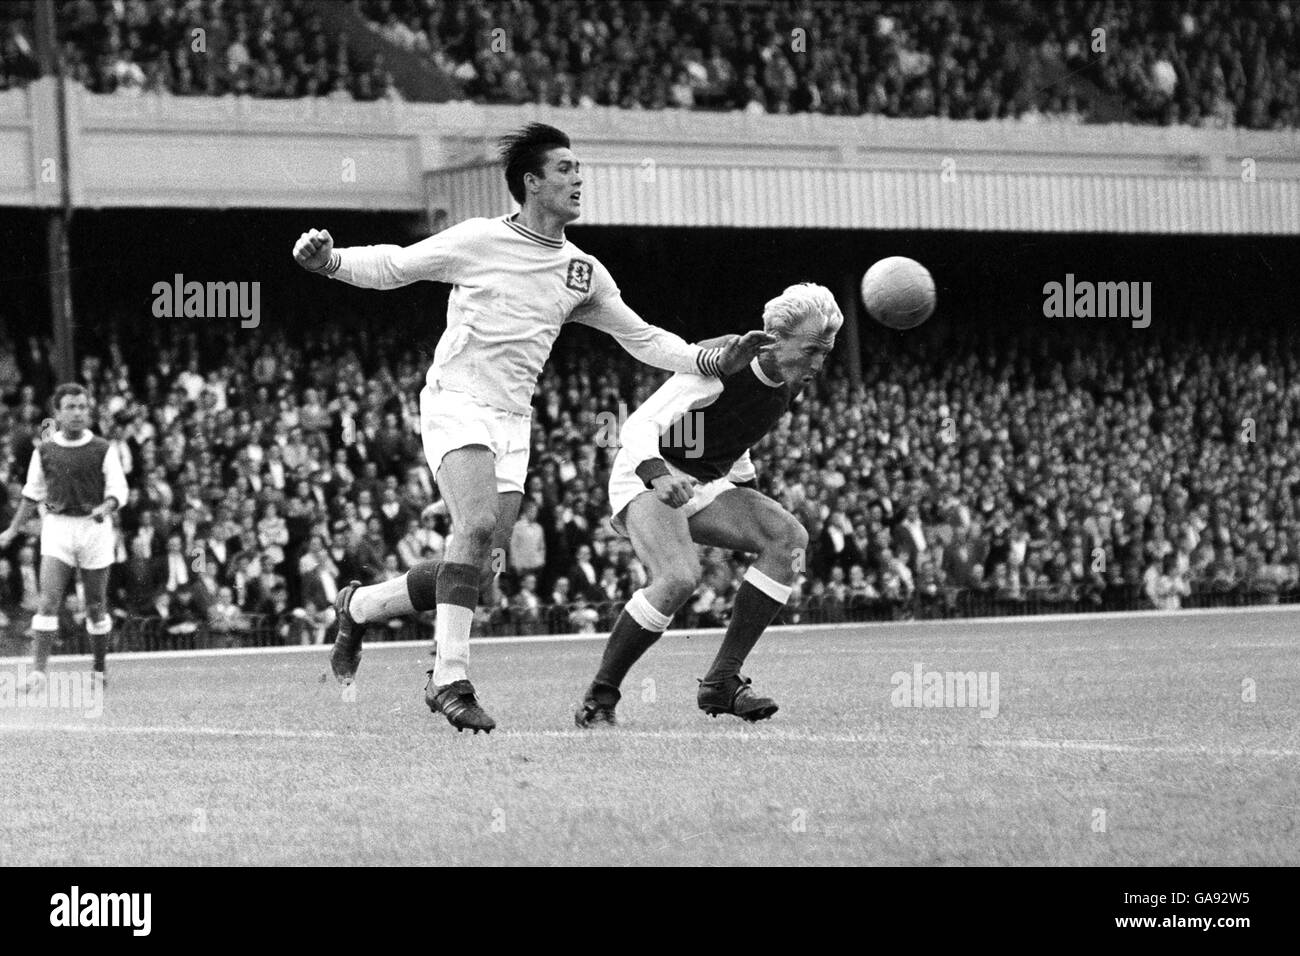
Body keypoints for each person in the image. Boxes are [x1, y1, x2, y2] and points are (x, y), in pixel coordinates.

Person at [293, 122, 771, 733]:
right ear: (531, 182)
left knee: (480, 571)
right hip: (457, 400)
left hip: (514, 419)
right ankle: (450, 679)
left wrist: (711, 358)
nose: (579, 178)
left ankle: (358, 606)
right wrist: (331, 261)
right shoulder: (480, 239)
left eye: (578, 168)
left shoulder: (582, 272)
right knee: (477, 525)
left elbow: (643, 337)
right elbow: (397, 265)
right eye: (566, 169)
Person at [575, 283, 841, 727]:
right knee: (679, 578)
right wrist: (658, 478)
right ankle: (599, 698)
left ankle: (722, 680)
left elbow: (737, 436)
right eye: (811, 349)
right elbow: (638, 425)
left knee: (788, 539)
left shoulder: (788, 383)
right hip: (647, 472)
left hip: (705, 482)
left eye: (826, 353)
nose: (817, 364)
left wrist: (748, 490)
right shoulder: (721, 363)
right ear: (774, 339)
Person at [0, 384, 128, 690]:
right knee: (49, 600)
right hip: (58, 526)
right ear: (57, 413)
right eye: (70, 407)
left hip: (94, 528)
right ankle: (38, 672)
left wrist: (106, 507)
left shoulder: (102, 448)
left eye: (82, 407)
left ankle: (98, 668)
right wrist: (13, 529)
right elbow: (32, 494)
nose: (77, 412)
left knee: (96, 605)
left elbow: (118, 490)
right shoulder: (44, 450)